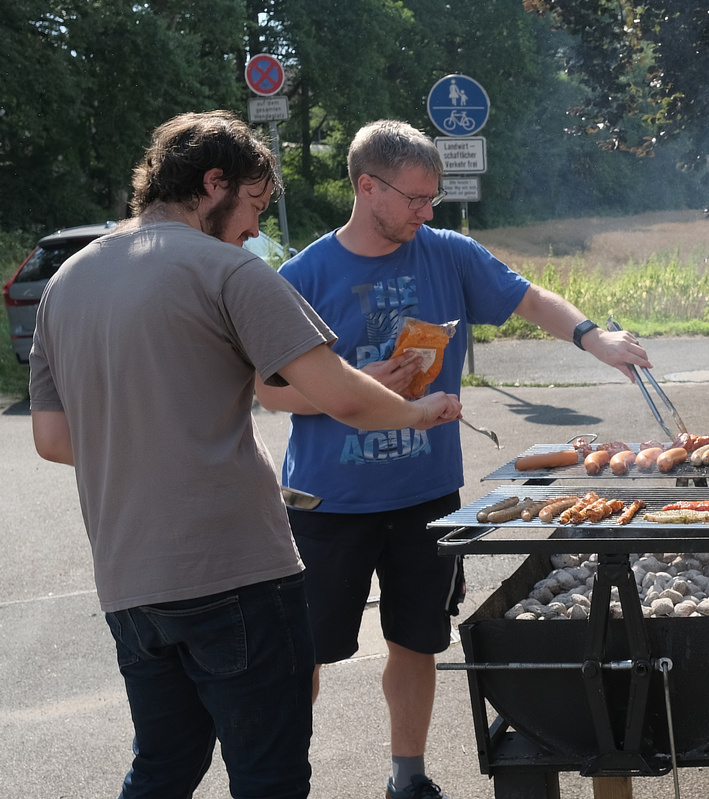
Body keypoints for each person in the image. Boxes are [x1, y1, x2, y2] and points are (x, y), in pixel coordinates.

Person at [27, 111, 462, 799]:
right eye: (255, 207)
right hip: (236, 573)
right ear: (213, 183)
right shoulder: (225, 269)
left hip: (129, 583)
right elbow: (339, 394)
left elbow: (51, 439)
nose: (256, 228)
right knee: (269, 776)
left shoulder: (66, 284)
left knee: (164, 767)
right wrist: (418, 410)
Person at [254, 119, 650, 799]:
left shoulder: (448, 252)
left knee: (417, 641)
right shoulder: (304, 274)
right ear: (366, 187)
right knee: (305, 654)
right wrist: (358, 387)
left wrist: (595, 338)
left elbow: (528, 298)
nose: (426, 211)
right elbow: (269, 391)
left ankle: (408, 777)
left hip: (425, 495)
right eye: (414, 198)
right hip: (328, 502)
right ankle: (283, 779)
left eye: (433, 198)